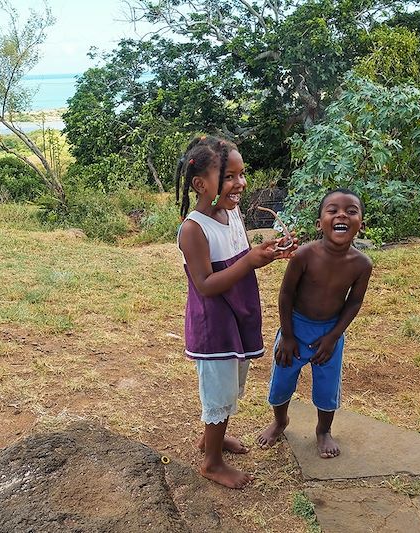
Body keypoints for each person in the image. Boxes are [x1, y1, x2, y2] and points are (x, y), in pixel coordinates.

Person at [176, 135, 295, 489]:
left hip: (238, 315)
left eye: (242, 175)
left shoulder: (232, 213)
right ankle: (212, 462)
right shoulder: (193, 229)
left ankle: (211, 438)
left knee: (232, 386)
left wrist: (266, 253)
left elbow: (240, 259)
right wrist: (250, 261)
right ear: (201, 184)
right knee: (219, 392)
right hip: (214, 324)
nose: (241, 183)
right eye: (229, 176)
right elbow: (206, 284)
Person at [257, 188, 372, 458]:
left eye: (351, 211)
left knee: (327, 386)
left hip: (329, 332)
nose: (341, 214)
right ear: (320, 223)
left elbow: (353, 302)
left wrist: (333, 336)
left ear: (360, 225)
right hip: (294, 328)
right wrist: (287, 335)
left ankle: (323, 430)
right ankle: (280, 421)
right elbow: (286, 294)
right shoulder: (304, 256)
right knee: (282, 380)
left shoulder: (361, 264)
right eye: (332, 210)